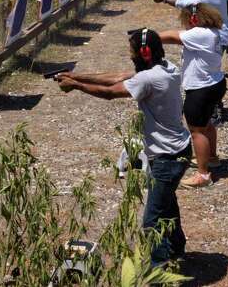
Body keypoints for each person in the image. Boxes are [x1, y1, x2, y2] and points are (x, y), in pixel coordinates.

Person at [55, 29, 192, 263]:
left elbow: (110, 92)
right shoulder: (166, 68)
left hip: (166, 158)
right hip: (178, 150)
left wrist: (76, 86)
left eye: (132, 52)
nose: (131, 56)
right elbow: (117, 76)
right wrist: (76, 76)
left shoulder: (148, 79)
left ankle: (158, 271)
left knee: (152, 220)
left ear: (144, 53)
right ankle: (176, 248)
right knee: (166, 204)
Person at [157, 4, 226, 189]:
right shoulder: (213, 32)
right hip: (215, 83)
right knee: (207, 124)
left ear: (194, 19)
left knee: (197, 131)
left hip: (200, 89)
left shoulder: (200, 34)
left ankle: (203, 175)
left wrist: (148, 36)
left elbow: (172, 36)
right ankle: (211, 158)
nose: (186, 24)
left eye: (186, 20)